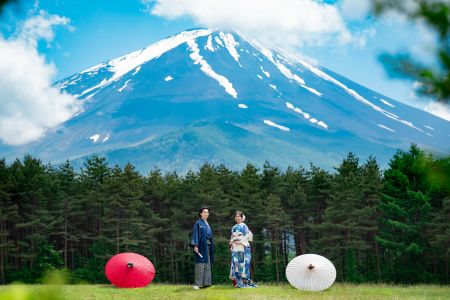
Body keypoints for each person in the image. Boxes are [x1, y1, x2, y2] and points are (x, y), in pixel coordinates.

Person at [229, 211, 257, 288]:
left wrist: (241, 241)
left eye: (239, 216)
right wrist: (231, 243)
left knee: (244, 264)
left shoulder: (244, 226)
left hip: (242, 247)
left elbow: (248, 235)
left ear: (242, 218)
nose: (237, 218)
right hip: (235, 247)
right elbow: (232, 237)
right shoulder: (234, 227)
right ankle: (238, 283)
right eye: (236, 216)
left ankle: (244, 282)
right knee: (236, 264)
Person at [191, 206, 214, 290]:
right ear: (200, 213)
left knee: (207, 263)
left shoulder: (207, 223)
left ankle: (206, 283)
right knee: (200, 263)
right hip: (201, 245)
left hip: (208, 245)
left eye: (207, 212)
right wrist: (195, 245)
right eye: (204, 212)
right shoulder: (198, 223)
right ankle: (198, 284)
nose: (206, 214)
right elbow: (195, 234)